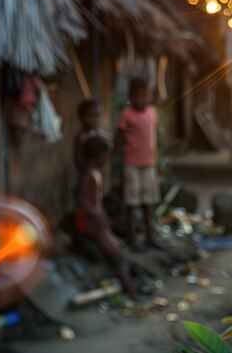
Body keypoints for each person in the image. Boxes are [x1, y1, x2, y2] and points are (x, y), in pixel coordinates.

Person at [75, 135, 138, 301]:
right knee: (120, 259)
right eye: (107, 155)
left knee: (119, 247)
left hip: (96, 223)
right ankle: (132, 295)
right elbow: (81, 198)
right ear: (99, 155)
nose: (107, 159)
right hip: (91, 224)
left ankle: (131, 290)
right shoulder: (89, 174)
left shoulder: (92, 172)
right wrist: (97, 215)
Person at [115, 77, 161, 251]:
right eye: (139, 95)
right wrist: (112, 157)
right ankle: (132, 239)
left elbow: (154, 140)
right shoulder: (127, 114)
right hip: (131, 164)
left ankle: (150, 237)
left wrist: (158, 164)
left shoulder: (152, 112)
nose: (143, 99)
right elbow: (119, 137)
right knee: (131, 203)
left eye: (146, 95)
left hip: (149, 163)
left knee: (148, 202)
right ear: (132, 96)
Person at [74, 99, 110, 173]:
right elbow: (78, 160)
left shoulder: (105, 136)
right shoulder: (82, 138)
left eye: (97, 115)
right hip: (87, 172)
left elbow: (109, 151)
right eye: (90, 115)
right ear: (81, 117)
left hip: (100, 172)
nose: (94, 119)